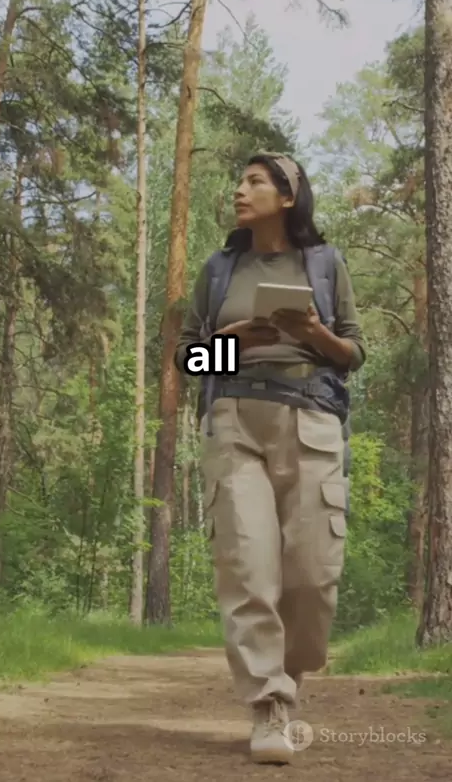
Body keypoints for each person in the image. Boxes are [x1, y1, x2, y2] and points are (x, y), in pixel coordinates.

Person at [174, 152, 366, 764]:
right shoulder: (219, 270)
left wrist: (312, 334)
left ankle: (290, 676)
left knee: (311, 577)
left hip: (311, 422)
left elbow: (353, 355)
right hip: (234, 422)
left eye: (254, 181)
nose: (240, 189)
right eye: (240, 180)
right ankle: (269, 704)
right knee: (249, 570)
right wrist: (230, 343)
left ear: (288, 196)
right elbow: (187, 361)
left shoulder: (326, 264)